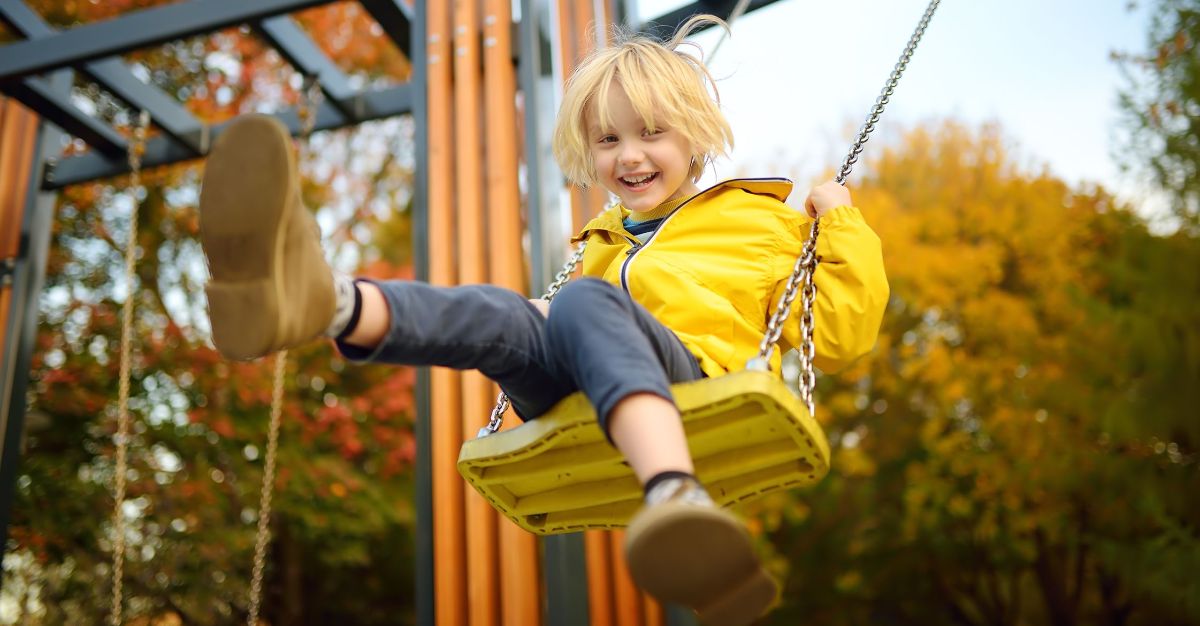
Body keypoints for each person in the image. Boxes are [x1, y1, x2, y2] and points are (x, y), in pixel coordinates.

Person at [198, 14, 887, 626]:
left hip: (693, 386)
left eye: (652, 133)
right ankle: (325, 302)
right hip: (578, 396)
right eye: (609, 139)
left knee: (581, 304)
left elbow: (841, 336)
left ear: (696, 135)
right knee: (508, 312)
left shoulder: (757, 221)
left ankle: (676, 493)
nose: (630, 155)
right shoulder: (600, 240)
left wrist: (841, 224)